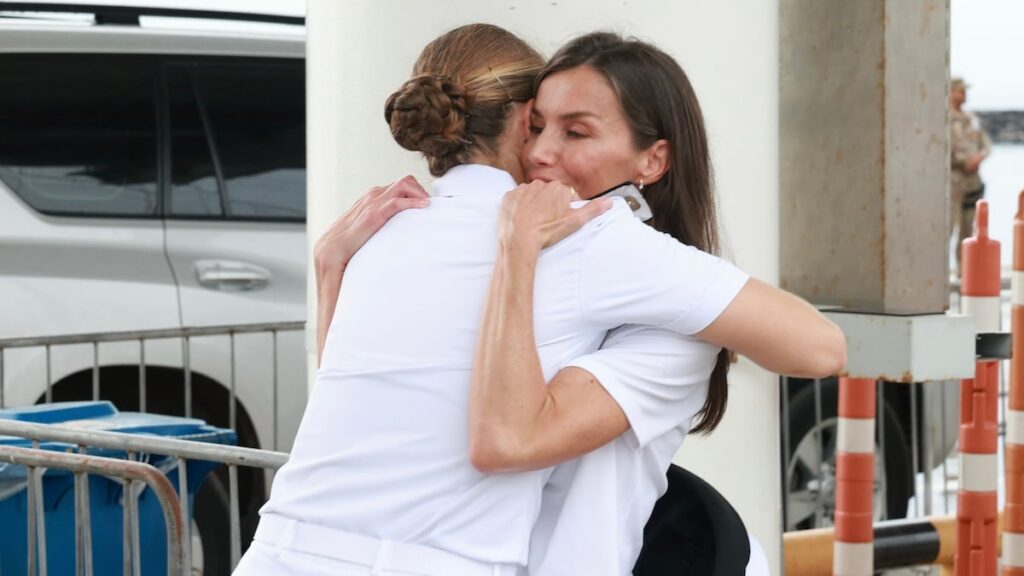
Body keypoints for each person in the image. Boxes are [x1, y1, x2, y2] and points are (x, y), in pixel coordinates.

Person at [238, 24, 844, 576]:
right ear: (516, 118)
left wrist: (334, 265)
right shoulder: (580, 241)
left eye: (573, 131)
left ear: (653, 157)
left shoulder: (389, 227)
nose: (541, 153)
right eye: (538, 127)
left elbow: (821, 347)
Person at [950, 76, 992, 272]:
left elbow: (986, 145)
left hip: (972, 183)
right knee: (948, 227)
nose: (964, 94)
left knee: (968, 230)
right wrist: (961, 162)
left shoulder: (972, 119)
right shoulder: (943, 120)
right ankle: (941, 274)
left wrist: (979, 157)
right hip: (952, 183)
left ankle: (963, 271)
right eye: (960, 90)